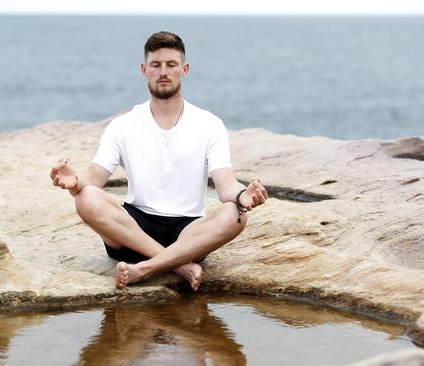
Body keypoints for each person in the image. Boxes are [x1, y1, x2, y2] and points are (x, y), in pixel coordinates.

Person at [50, 31, 267, 290]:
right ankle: (178, 265)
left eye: (171, 65)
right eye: (156, 65)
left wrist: (243, 196)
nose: (163, 71)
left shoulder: (209, 124)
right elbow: (94, 179)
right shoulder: (123, 125)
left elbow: (226, 186)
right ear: (144, 70)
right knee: (85, 197)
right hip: (132, 231)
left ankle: (144, 269)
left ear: (184, 69)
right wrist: (74, 181)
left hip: (188, 233)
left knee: (237, 215)